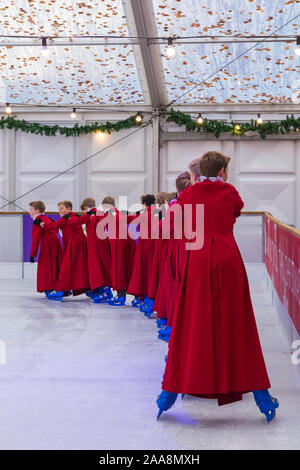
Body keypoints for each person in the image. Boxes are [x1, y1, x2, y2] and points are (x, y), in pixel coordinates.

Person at [156, 151, 279, 423]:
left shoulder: (189, 194)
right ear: (223, 171)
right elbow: (235, 211)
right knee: (237, 323)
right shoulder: (229, 192)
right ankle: (261, 395)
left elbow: (181, 215)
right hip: (227, 259)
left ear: (200, 171)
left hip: (197, 261)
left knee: (192, 322)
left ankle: (169, 393)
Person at [41, 200, 89, 300]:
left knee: (66, 268)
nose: (60, 211)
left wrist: (41, 224)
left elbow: (51, 227)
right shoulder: (72, 216)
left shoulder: (66, 218)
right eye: (59, 209)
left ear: (69, 209)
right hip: (77, 246)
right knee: (79, 268)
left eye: (62, 208)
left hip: (74, 246)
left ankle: (60, 290)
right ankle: (87, 289)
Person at [68, 197, 112, 303]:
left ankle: (103, 291)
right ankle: (104, 290)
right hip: (103, 244)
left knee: (96, 269)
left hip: (95, 246)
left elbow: (75, 222)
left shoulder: (89, 214)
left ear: (86, 208)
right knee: (103, 268)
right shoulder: (99, 213)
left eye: (83, 210)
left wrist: (70, 216)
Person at [29, 201, 62, 297]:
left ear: (37, 211)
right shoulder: (46, 219)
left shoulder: (37, 222)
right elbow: (56, 229)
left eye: (31, 210)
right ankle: (60, 288)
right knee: (56, 265)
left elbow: (35, 239)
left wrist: (32, 254)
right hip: (56, 243)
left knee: (46, 267)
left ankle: (50, 289)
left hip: (47, 245)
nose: (29, 212)